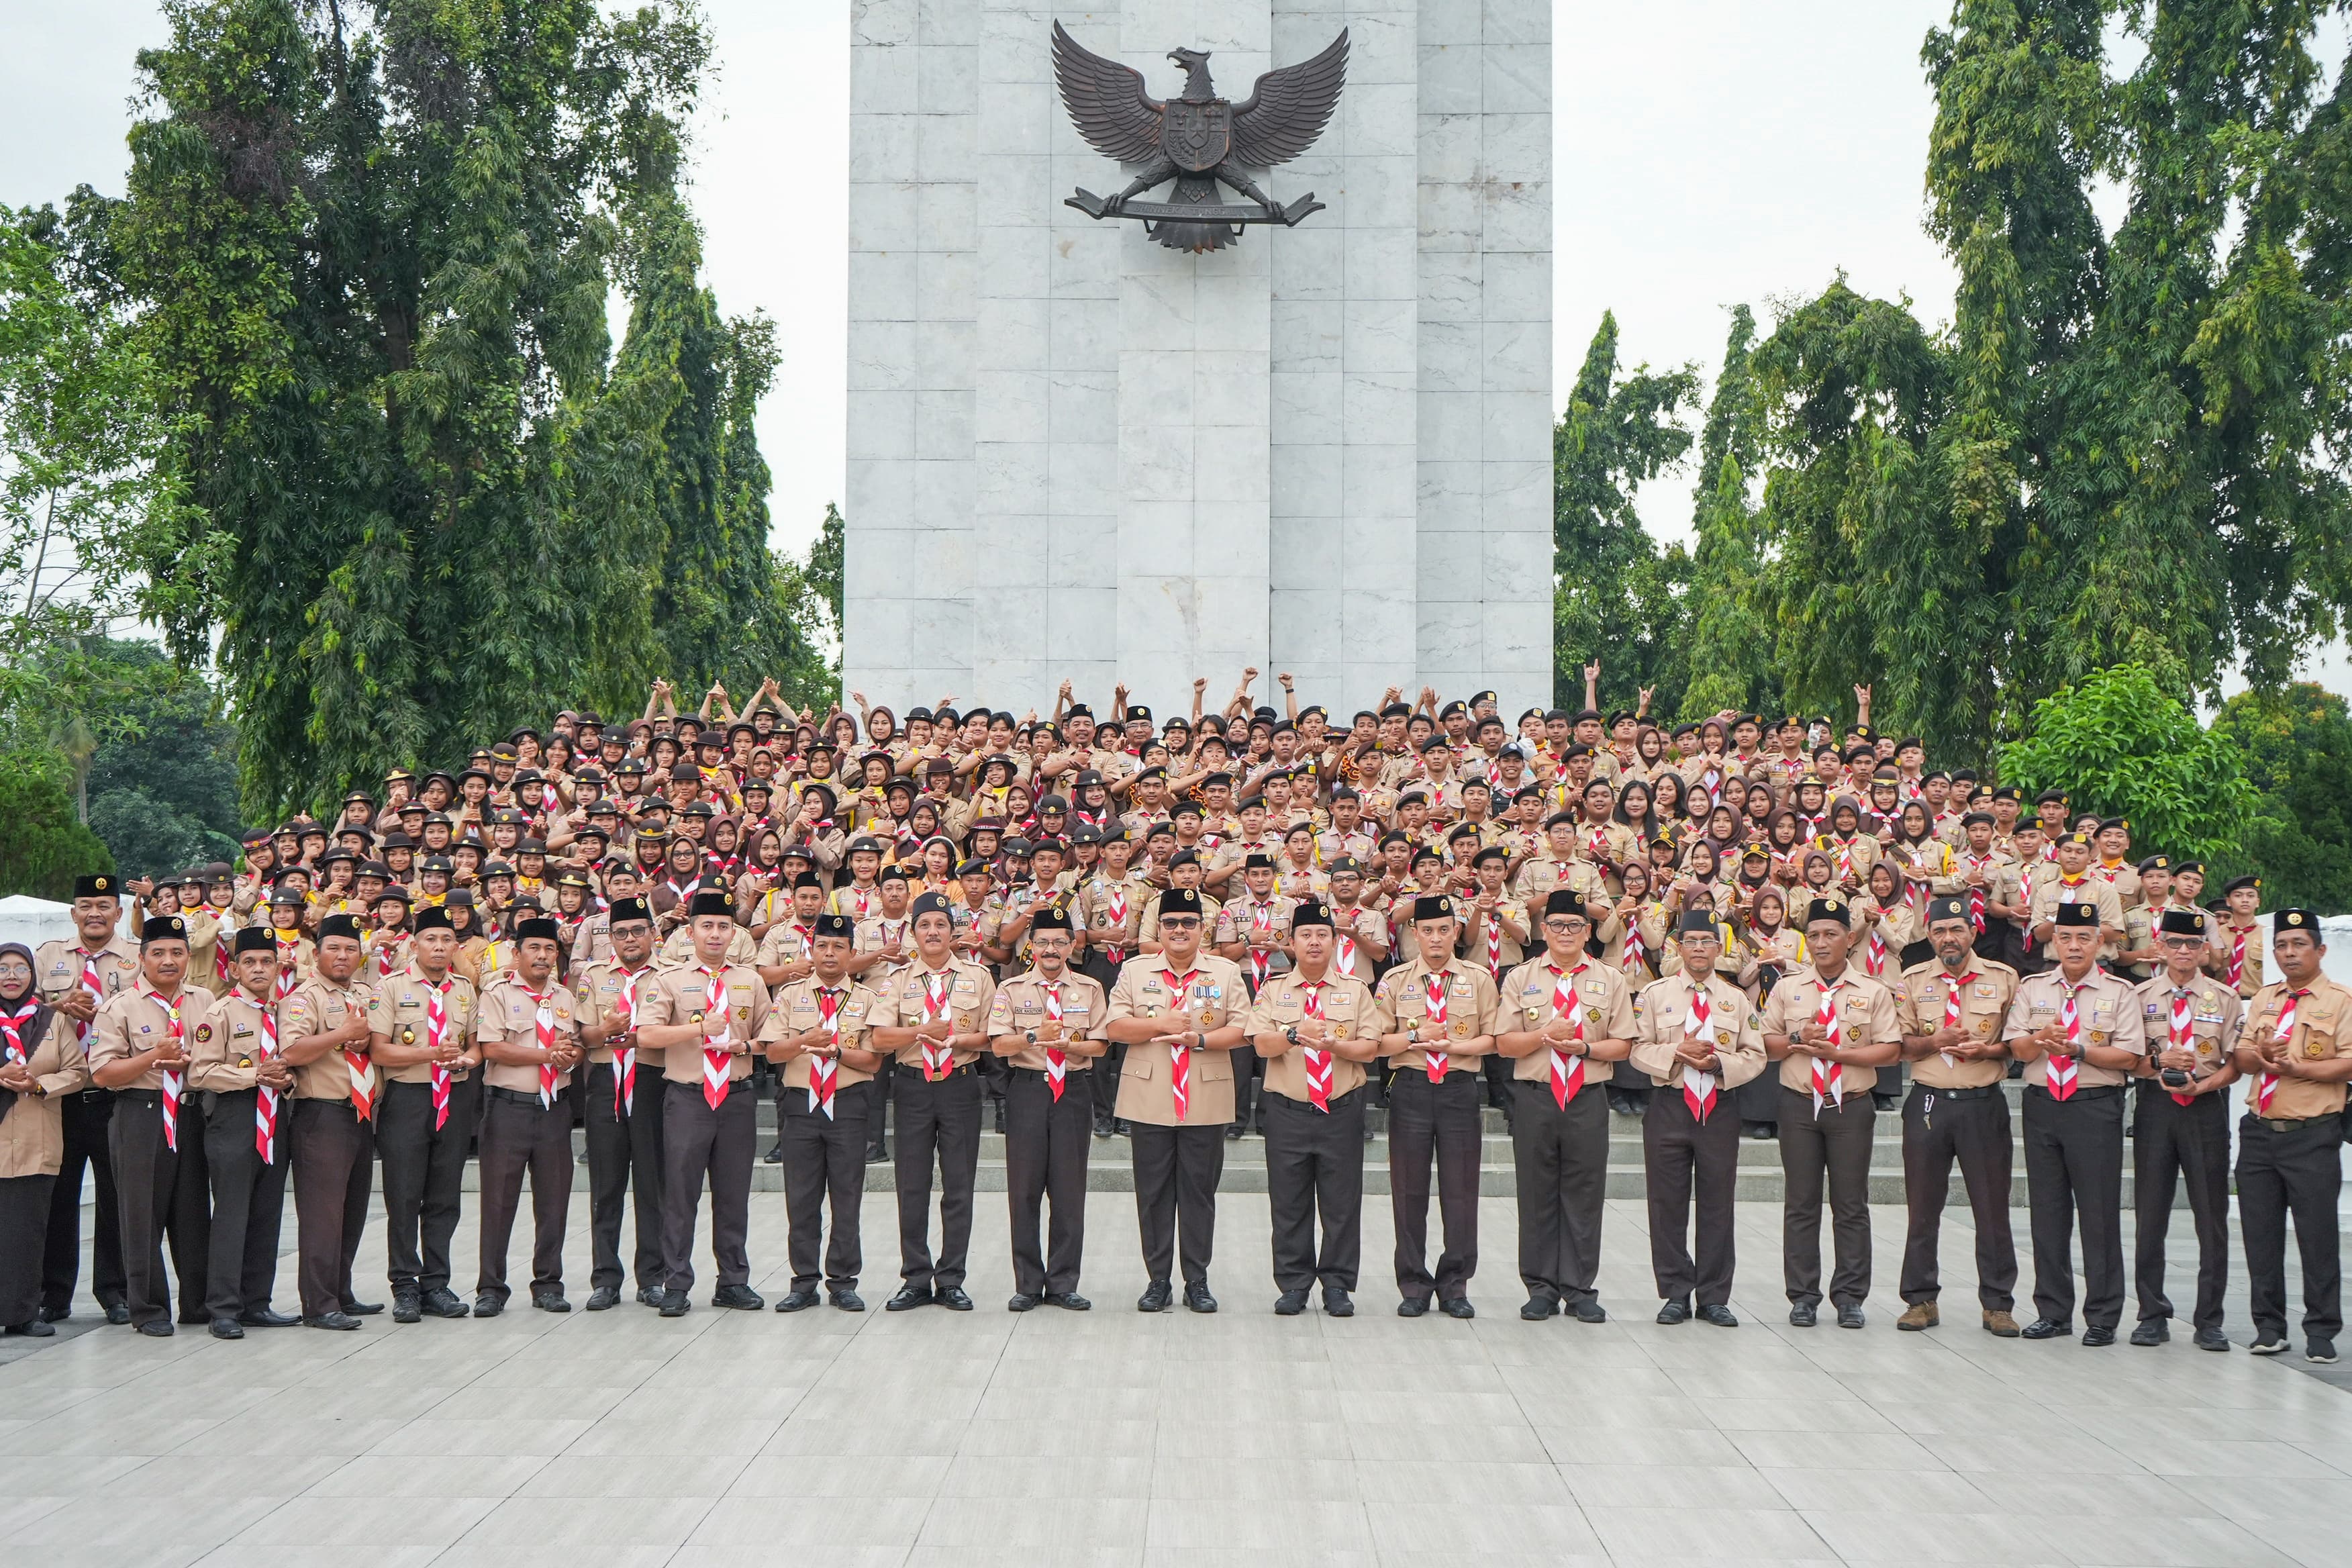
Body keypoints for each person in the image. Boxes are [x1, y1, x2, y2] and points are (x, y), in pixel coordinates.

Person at [2002, 901, 2147, 1345]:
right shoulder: (2033, 988)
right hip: (2044, 1102)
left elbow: (2130, 1057)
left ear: (2099, 942)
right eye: (2065, 936)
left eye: (2084, 937)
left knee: (2099, 1213)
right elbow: (2017, 1049)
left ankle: (2103, 1315)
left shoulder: (2120, 992)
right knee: (2047, 1210)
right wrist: (2039, 1040)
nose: (2074, 945)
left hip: (2094, 1104)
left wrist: (2080, 1050)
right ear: (2054, 941)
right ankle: (2053, 1310)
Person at [1493, 890, 1636, 1322]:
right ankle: (1540, 1287)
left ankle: (1578, 1288)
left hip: (1586, 1098)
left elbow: (1624, 1044)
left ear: (1588, 931)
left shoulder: (1610, 978)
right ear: (1543, 930)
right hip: (1536, 1098)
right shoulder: (1521, 977)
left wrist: (1585, 1048)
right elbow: (1504, 1043)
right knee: (1536, 1194)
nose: (1566, 933)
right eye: (1557, 925)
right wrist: (1545, 1036)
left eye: (1575, 925)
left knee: (1585, 1194)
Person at [1759, 897, 1902, 1328]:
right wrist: (1799, 1036)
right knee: (1801, 1203)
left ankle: (1850, 1297)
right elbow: (1766, 1044)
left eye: (1831, 934)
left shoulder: (1873, 991)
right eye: (1814, 935)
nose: (1821, 944)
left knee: (1851, 1204)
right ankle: (1803, 1296)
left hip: (1851, 1107)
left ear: (1851, 938)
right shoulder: (1788, 987)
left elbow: (1891, 1050)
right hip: (1799, 1105)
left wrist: (1839, 1054)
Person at [1104, 887, 1248, 1312]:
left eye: (1189, 922)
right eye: (1171, 923)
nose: (1180, 930)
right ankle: (1158, 1280)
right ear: (1159, 929)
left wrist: (1199, 1038)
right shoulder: (1135, 971)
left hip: (1204, 1096)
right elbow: (1114, 1026)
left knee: (1199, 1193)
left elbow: (1243, 1028)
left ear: (1203, 930)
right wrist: (1160, 1024)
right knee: (1152, 1193)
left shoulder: (1224, 972)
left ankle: (1197, 1281)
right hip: (1149, 1096)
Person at [634, 889, 772, 1316]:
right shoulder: (669, 979)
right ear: (690, 931)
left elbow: (771, 1038)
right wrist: (698, 1031)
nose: (715, 934)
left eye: (724, 926)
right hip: (688, 1098)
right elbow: (647, 1036)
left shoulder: (750, 980)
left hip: (736, 1097)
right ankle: (676, 1284)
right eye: (706, 926)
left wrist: (744, 1047)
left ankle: (733, 1280)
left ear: (735, 932)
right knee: (680, 1193)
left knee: (733, 1193)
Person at [1892, 896, 2022, 1335]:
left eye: (1957, 929)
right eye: (1940, 931)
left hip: (1982, 1103)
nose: (1949, 938)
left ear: (1973, 932)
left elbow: (2018, 1044)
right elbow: (1901, 1045)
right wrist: (1936, 1041)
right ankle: (1920, 1299)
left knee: (1992, 1208)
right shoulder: (1912, 981)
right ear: (1929, 935)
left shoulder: (2004, 979)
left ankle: (1998, 1304)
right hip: (1928, 1102)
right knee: (1922, 1207)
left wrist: (1988, 1050)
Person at [1244, 899, 1379, 1316]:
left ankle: (1337, 1284)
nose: (1315, 942)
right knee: (1289, 1202)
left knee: (1341, 1203)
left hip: (1340, 1109)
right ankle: (1294, 1283)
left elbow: (1370, 1049)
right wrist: (1292, 1032)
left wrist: (1336, 1045)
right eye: (1306, 935)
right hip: (1288, 1111)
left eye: (1323, 934)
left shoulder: (1355, 991)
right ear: (1292, 943)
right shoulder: (1274, 990)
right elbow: (1260, 1044)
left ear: (1335, 941)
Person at [1630, 912, 1766, 1326]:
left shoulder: (1736, 999)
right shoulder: (1655, 994)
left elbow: (1756, 1053)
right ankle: (1675, 1293)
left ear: (1719, 948)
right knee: (1666, 1204)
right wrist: (1676, 1054)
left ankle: (1713, 1296)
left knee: (1717, 1204)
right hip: (1670, 1104)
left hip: (1719, 1108)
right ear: (1678, 947)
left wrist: (1719, 1064)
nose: (1700, 949)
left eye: (1708, 941)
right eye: (1691, 941)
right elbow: (1637, 1048)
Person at [864, 890, 995, 1312]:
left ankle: (952, 1277)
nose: (933, 932)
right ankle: (916, 1278)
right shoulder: (897, 980)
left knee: (958, 1185)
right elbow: (880, 1038)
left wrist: (955, 1039)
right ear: (913, 933)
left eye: (941, 924)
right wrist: (923, 1035)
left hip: (959, 1085)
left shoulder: (978, 977)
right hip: (913, 1085)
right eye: (925, 925)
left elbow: (992, 1038)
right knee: (912, 1184)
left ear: (952, 929)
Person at [1372, 894, 1500, 1318]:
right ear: (1414, 934)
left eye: (1445, 929)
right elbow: (1377, 1041)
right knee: (1409, 1190)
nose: (1436, 938)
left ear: (1456, 932)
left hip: (1459, 1088)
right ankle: (1413, 1283)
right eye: (1427, 930)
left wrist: (1456, 1045)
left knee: (1460, 1189)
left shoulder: (1479, 978)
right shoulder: (1394, 980)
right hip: (1410, 1086)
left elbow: (1492, 1038)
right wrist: (1415, 1037)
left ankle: (1455, 1284)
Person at [88, 914, 216, 1335]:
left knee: (193, 1211)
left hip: (191, 1111)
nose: (168, 960)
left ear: (187, 958)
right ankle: (148, 1309)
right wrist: (152, 1058)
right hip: (139, 1113)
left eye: (177, 953)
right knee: (141, 1213)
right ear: (141, 959)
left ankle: (197, 1304)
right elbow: (103, 1074)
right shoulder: (119, 1007)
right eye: (158, 953)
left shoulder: (204, 1001)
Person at [2234, 908, 2350, 1363]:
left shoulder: (2341, 1000)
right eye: (2281, 945)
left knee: (2317, 1236)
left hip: (2312, 1132)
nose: (2289, 953)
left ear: (2320, 950)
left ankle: (2321, 1331)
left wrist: (2300, 1068)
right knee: (2260, 1234)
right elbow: (2242, 1058)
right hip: (2260, 1131)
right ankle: (2269, 1326)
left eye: (2299, 944)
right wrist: (2260, 1055)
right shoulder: (2264, 999)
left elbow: (2349, 1060)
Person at [2128, 908, 2241, 1350]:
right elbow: (2128, 1060)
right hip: (2156, 1106)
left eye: (2193, 944)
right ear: (2160, 947)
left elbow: (2234, 1064)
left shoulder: (2224, 998)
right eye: (2174, 942)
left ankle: (2209, 1319)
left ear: (2205, 949)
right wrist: (2157, 1065)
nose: (2183, 951)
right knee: (2150, 1213)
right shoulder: (2139, 996)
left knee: (2211, 1216)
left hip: (2205, 1107)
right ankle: (2152, 1313)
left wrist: (2204, 1085)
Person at [986, 904, 1108, 1310]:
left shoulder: (1090, 989)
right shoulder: (1011, 990)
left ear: (1072, 945)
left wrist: (1071, 1046)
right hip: (1028, 1091)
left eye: (1059, 941)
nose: (1051, 949)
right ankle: (1027, 1283)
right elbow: (1000, 1045)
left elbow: (1101, 1045)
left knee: (1069, 1191)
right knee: (1024, 1191)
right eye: (1043, 942)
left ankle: (1063, 1283)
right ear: (1030, 947)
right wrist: (1035, 1037)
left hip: (1073, 1091)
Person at [367, 905, 481, 1322]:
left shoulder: (465, 989)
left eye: (446, 940)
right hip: (408, 1099)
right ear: (414, 945)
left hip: (453, 1097)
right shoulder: (391, 987)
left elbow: (475, 1046)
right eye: (430, 940)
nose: (438, 947)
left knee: (444, 1197)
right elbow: (379, 1050)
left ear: (456, 946)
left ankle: (437, 1283)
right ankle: (405, 1285)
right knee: (403, 1195)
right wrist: (431, 1053)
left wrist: (465, 1060)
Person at [767, 912, 883, 1312]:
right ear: (811, 951)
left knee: (846, 1197)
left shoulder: (868, 999)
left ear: (852, 953)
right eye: (822, 946)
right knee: (801, 1198)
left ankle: (843, 1281)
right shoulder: (790, 995)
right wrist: (804, 1041)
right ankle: (803, 1282)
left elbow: (873, 1062)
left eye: (839, 946)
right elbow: (772, 1052)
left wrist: (836, 1050)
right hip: (800, 1106)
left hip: (849, 1105)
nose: (830, 953)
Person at [34, 874, 135, 1324]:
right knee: (59, 1197)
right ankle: (53, 1293)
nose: (94, 913)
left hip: (116, 1094)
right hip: (60, 1097)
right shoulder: (47, 956)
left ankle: (115, 1291)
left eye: (103, 905)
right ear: (72, 913)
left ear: (118, 911)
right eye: (85, 905)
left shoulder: (138, 958)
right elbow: (19, 1014)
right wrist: (57, 1009)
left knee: (117, 1198)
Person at [189, 925, 299, 1338]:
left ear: (276, 968)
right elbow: (201, 1072)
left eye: (266, 962)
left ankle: (258, 1302)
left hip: (276, 1117)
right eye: (249, 962)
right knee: (232, 1214)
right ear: (234, 968)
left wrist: (285, 1081)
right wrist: (255, 1076)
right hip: (235, 1117)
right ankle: (223, 1308)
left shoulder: (285, 1010)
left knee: (267, 1214)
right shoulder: (220, 1013)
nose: (259, 969)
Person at [471, 916, 583, 1315]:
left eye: (550, 949)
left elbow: (575, 1047)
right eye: (534, 948)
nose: (542, 956)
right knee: (498, 1202)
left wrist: (571, 1056)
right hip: (508, 1109)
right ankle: (491, 1287)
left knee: (554, 1201)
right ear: (516, 953)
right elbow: (492, 1049)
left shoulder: (566, 998)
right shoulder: (498, 992)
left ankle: (549, 1283)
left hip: (554, 1109)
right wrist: (547, 1055)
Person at [277, 913, 380, 1329]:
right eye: (333, 949)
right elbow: (292, 1052)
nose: (342, 956)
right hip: (322, 1114)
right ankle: (318, 1304)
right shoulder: (304, 998)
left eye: (350, 949)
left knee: (352, 1210)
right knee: (322, 1214)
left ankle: (341, 1290)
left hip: (361, 1113)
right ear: (316, 954)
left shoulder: (365, 992)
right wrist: (342, 1034)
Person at [573, 895, 667, 1310]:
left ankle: (652, 1278)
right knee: (606, 1186)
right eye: (622, 932)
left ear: (653, 934)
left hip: (652, 1081)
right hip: (606, 1082)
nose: (631, 939)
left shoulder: (670, 977)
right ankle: (605, 1279)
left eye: (638, 931)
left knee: (652, 1185)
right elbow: (581, 1039)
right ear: (611, 938)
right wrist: (605, 1028)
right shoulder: (594, 976)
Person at [1, 942, 83, 1337]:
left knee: (28, 1231)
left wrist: (38, 1084)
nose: (12, 976)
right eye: (3, 968)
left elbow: (77, 1071)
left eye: (20, 968)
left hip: (38, 1139)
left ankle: (23, 1312)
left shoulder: (54, 1020)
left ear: (33, 975)